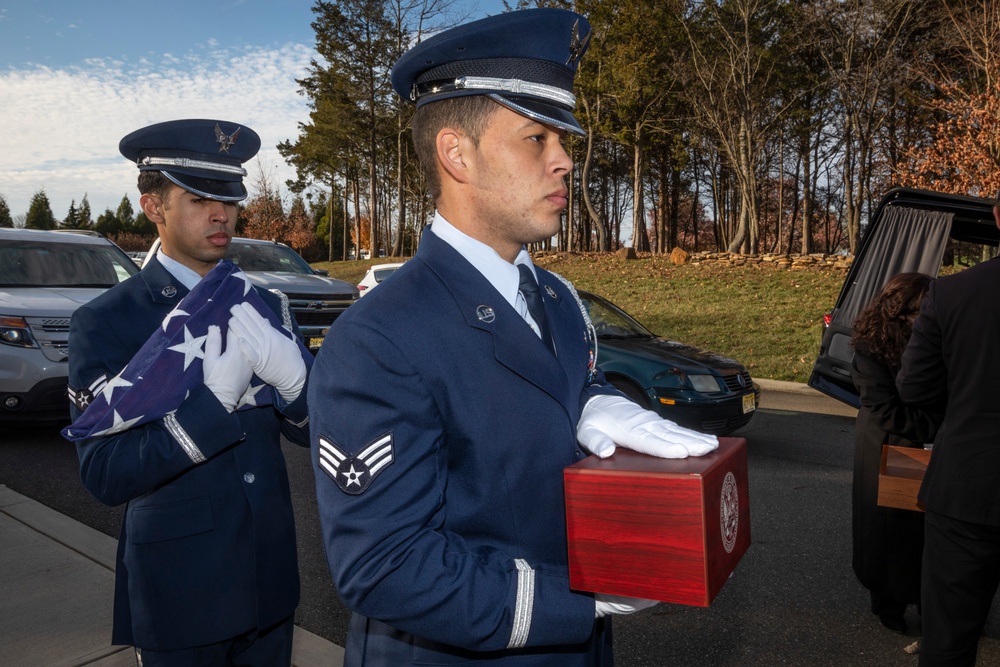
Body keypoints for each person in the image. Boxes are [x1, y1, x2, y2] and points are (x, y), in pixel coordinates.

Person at [307, 8, 719, 666]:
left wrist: (594, 398)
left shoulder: (555, 299)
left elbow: (559, 391)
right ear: (456, 153)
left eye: (565, 139)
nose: (564, 161)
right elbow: (385, 566)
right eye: (536, 138)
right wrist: (579, 599)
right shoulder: (380, 336)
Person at [62, 119, 311, 666]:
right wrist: (205, 412)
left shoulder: (263, 304)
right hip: (180, 586)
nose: (222, 214)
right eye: (199, 198)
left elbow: (319, 435)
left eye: (230, 198)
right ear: (155, 207)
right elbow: (104, 474)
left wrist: (298, 387)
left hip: (269, 576)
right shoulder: (107, 321)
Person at [896, 202, 1000, 666]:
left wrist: (961, 411)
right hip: (965, 490)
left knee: (948, 641)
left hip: (966, 487)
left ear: (997, 217)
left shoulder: (952, 293)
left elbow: (915, 387)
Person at [850, 272, 940, 635]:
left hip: (923, 443)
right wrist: (939, 425)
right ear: (902, 309)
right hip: (888, 446)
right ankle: (888, 605)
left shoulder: (931, 338)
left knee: (925, 533)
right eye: (924, 309)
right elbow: (885, 410)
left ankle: (927, 600)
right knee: (889, 534)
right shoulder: (870, 348)